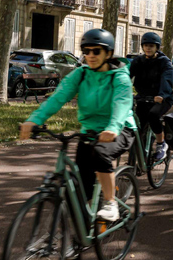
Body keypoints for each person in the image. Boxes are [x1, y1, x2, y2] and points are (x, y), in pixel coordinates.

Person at [19, 29, 137, 222]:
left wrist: (113, 128)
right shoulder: (80, 75)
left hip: (120, 128)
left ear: (108, 53)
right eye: (86, 51)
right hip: (89, 131)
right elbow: (58, 97)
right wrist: (34, 120)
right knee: (81, 188)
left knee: (100, 154)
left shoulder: (119, 77)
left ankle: (110, 203)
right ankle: (81, 236)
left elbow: (121, 104)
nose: (90, 55)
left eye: (96, 51)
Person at [130, 32, 173, 160]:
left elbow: (167, 79)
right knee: (138, 125)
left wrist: (161, 95)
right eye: (145, 46)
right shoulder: (138, 61)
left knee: (153, 115)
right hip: (143, 97)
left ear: (157, 47)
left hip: (162, 98)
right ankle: (139, 160)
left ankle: (162, 144)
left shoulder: (164, 62)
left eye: (151, 46)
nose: (148, 48)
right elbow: (126, 76)